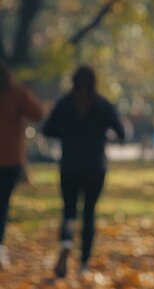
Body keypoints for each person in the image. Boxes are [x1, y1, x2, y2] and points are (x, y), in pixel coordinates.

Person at [42, 66, 125, 277]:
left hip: (69, 165)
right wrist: (101, 136)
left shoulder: (64, 104)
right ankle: (84, 264)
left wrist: (67, 135)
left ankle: (66, 241)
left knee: (69, 211)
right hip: (94, 167)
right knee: (89, 214)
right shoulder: (103, 105)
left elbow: (47, 129)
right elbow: (121, 133)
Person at [0, 62, 44, 269]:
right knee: (2, 204)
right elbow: (38, 113)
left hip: (10, 160)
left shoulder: (18, 95)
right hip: (10, 159)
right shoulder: (17, 94)